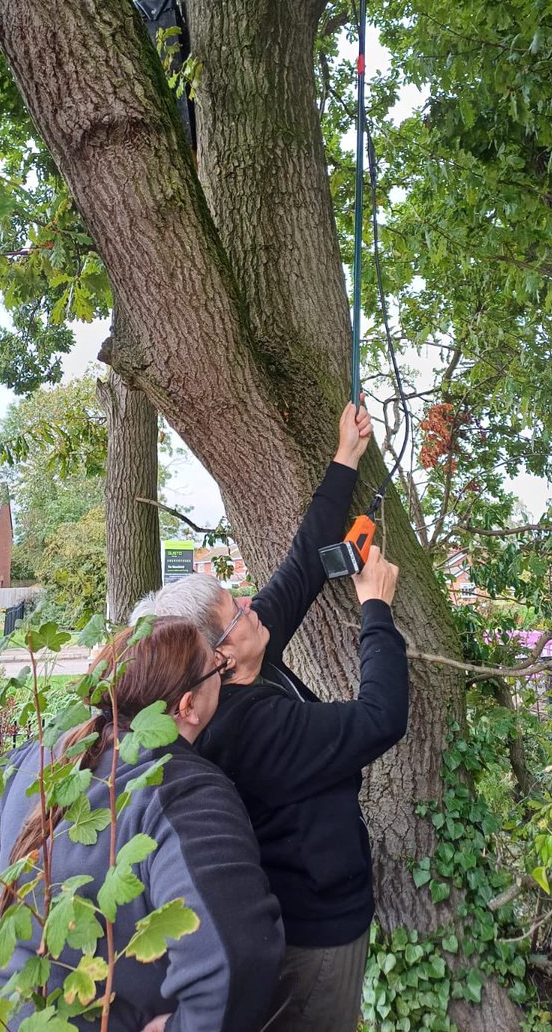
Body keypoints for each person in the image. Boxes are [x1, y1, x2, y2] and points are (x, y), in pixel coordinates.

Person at [132, 403, 409, 1032]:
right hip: (317, 936)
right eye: (238, 608)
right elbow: (380, 718)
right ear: (218, 657)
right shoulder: (248, 728)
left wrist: (346, 458)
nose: (255, 603)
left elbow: (306, 561)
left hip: (324, 913)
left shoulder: (244, 655)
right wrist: (375, 609)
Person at [0, 618, 284, 1032]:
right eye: (217, 669)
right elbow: (238, 959)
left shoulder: (51, 752)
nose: (224, 674)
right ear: (188, 706)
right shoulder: (184, 792)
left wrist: (24, 909)